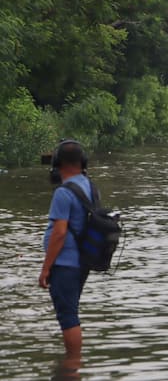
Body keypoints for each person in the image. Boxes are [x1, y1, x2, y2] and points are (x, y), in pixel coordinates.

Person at [39, 141, 93, 361]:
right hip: (81, 262)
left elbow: (59, 233)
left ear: (58, 164)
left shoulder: (63, 192)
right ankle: (72, 366)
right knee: (71, 313)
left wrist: (45, 268)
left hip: (65, 264)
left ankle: (71, 368)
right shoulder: (88, 185)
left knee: (67, 316)